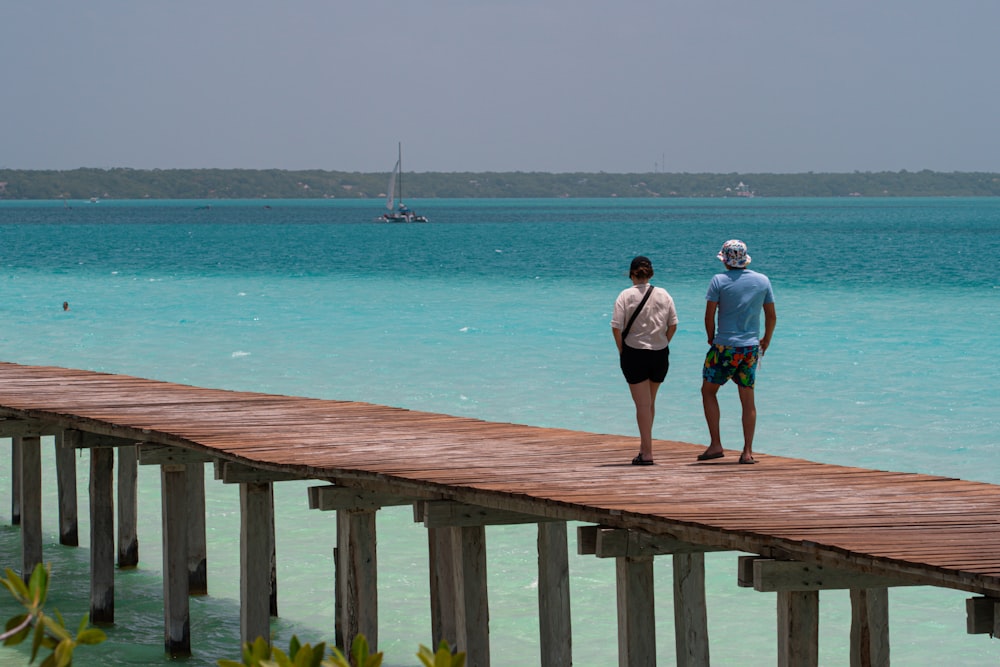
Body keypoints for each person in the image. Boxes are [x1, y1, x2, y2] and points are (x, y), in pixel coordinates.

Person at [698, 240, 776, 464]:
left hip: (724, 346)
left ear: (725, 260)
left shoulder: (719, 281)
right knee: (747, 399)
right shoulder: (762, 281)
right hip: (750, 347)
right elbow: (771, 315)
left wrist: (711, 337)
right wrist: (766, 340)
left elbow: (709, 315)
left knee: (708, 391)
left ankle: (715, 444)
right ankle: (747, 451)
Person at [611, 256, 678, 465]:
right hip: (659, 352)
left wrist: (623, 350)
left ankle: (647, 453)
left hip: (634, 352)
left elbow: (616, 326)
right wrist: (662, 342)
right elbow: (673, 324)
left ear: (631, 274)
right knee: (650, 403)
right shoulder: (663, 294)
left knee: (642, 405)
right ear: (651, 274)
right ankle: (644, 447)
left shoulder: (625, 295)